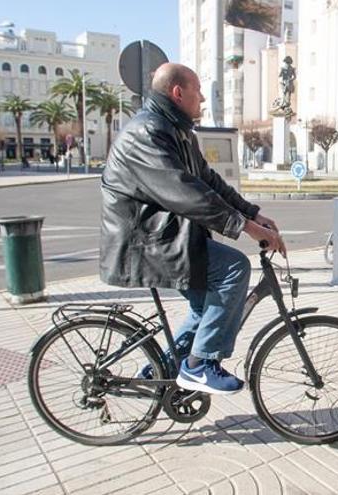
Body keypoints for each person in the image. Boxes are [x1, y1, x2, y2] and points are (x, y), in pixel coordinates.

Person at [99, 63, 286, 395]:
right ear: (178, 93)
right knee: (233, 268)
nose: (201, 98)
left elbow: (209, 181)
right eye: (197, 90)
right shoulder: (149, 132)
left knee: (205, 308)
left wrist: (253, 213)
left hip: (165, 236)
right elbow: (185, 191)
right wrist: (244, 227)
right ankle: (199, 366)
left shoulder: (177, 131)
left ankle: (161, 372)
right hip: (144, 242)